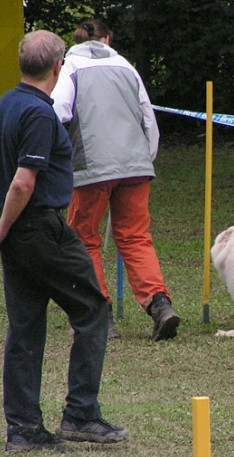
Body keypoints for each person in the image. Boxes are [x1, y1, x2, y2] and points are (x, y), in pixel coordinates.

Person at [0, 30, 128, 453]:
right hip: (40, 228)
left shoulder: (5, 104)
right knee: (93, 309)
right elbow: (23, 183)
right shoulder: (40, 115)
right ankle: (81, 414)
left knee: (25, 328)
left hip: (15, 236)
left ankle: (23, 430)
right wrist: (3, 226)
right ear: (58, 67)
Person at [51, 19, 180, 341]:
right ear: (107, 39)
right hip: (135, 165)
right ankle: (159, 303)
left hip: (92, 166)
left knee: (83, 239)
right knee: (136, 237)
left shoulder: (70, 67)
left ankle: (99, 315)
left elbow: (58, 112)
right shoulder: (126, 67)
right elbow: (148, 118)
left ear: (75, 42)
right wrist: (144, 159)